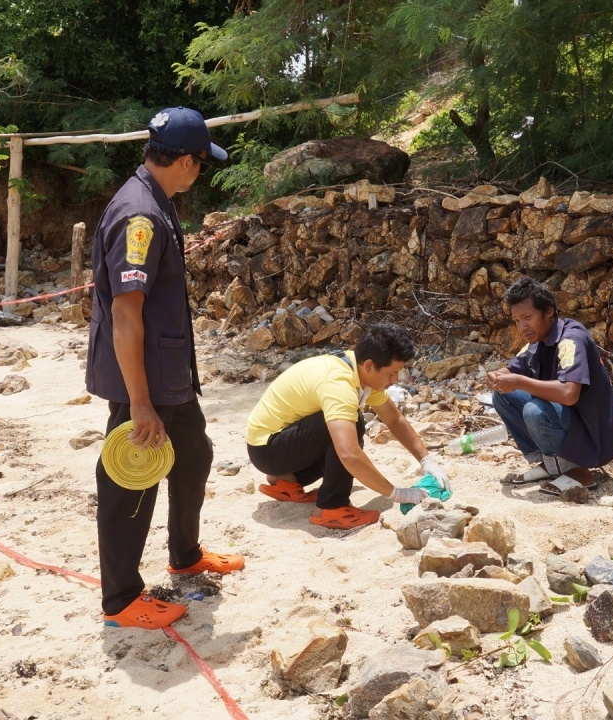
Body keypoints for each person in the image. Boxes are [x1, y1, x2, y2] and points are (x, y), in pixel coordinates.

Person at [85, 107, 243, 630]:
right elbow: (127, 314)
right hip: (146, 379)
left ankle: (185, 554)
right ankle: (122, 598)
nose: (201, 173)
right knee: (130, 482)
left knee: (194, 455)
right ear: (188, 161)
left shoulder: (156, 200)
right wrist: (139, 402)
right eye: (201, 163)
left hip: (168, 372)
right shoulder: (141, 216)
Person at [245, 323, 452, 529]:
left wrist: (426, 461)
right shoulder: (338, 382)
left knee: (344, 425)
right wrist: (397, 493)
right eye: (391, 374)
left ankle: (288, 482)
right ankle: (331, 508)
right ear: (370, 365)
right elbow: (349, 455)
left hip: (274, 446)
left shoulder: (359, 371)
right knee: (351, 424)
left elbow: (394, 420)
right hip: (268, 449)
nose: (395, 380)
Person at [486, 278, 613, 488]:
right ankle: (551, 464)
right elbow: (513, 368)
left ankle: (578, 471)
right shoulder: (538, 339)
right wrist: (498, 376)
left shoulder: (571, 338)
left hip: (594, 430)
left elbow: (569, 394)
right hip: (570, 420)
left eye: (528, 317)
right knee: (503, 396)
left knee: (535, 410)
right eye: (517, 320)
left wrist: (520, 382)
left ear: (549, 311)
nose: (522, 327)